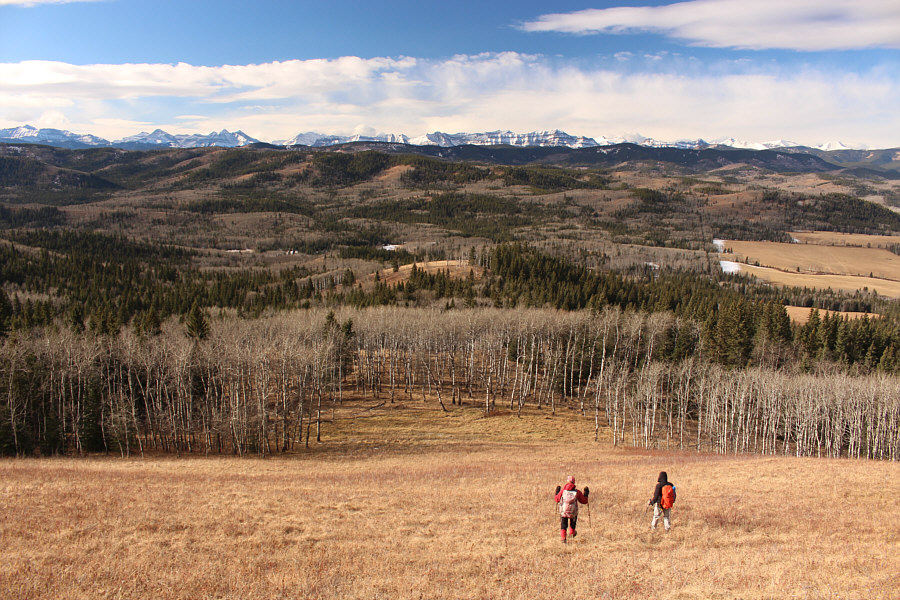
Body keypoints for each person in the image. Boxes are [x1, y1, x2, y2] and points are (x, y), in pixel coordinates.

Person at [554, 475, 589, 543]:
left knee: (564, 524)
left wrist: (557, 492)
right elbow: (584, 501)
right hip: (573, 511)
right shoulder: (577, 492)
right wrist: (586, 494)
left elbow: (557, 499)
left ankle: (563, 538)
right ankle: (572, 532)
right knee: (573, 522)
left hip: (564, 511)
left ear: (567, 482)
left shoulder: (563, 491)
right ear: (574, 482)